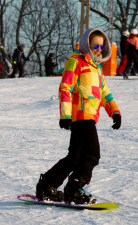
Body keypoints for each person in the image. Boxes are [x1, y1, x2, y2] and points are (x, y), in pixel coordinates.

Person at [35, 28, 121, 204]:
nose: (99, 49)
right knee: (92, 154)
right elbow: (65, 88)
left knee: (74, 157)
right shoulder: (75, 61)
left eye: (101, 45)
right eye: (95, 45)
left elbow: (105, 93)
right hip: (81, 116)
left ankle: (48, 185)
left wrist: (115, 112)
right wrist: (65, 115)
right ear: (86, 45)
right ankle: (73, 189)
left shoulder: (97, 68)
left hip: (90, 116)